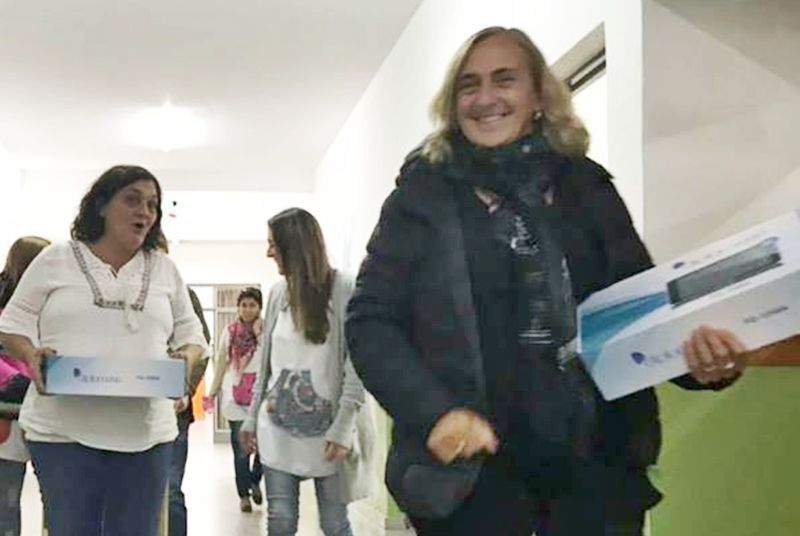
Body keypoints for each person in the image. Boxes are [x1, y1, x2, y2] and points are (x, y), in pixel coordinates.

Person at [345, 26, 747, 536]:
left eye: (504, 79)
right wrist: (435, 413)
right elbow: (370, 322)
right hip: (469, 479)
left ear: (538, 96)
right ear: (452, 103)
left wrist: (700, 363)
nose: (485, 97)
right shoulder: (420, 199)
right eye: (469, 85)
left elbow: (638, 306)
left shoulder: (587, 189)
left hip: (593, 472)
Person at [0, 165, 208, 536]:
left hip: (146, 435)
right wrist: (32, 355)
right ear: (100, 206)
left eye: (152, 204)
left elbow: (193, 334)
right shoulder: (57, 258)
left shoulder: (164, 269)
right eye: (132, 200)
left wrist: (185, 360)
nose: (144, 212)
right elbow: (12, 322)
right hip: (62, 434)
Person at [239, 208, 376, 536]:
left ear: (294, 245)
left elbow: (357, 364)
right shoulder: (277, 293)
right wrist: (251, 416)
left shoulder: (343, 288)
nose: (268, 252)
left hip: (330, 432)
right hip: (277, 429)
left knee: (334, 524)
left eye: (273, 244)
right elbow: (267, 365)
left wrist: (343, 426)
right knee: (281, 521)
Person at [0, 236, 50, 536]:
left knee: (59, 502)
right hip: (8, 417)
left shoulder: (54, 307)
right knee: (5, 505)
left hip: (50, 413)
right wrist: (18, 381)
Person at [208, 287, 265, 513]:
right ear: (238, 307)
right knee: (241, 450)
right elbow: (221, 362)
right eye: (244, 305)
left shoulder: (267, 331)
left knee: (264, 448)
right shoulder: (230, 332)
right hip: (235, 399)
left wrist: (260, 335)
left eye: (252, 305)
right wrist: (212, 391)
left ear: (259, 308)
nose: (247, 309)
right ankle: (244, 495)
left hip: (261, 398)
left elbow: (273, 359)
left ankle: (255, 480)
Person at [168, 286, 211, 536]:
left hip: (175, 413)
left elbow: (201, 349)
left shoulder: (183, 294)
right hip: (130, 414)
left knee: (171, 491)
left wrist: (186, 391)